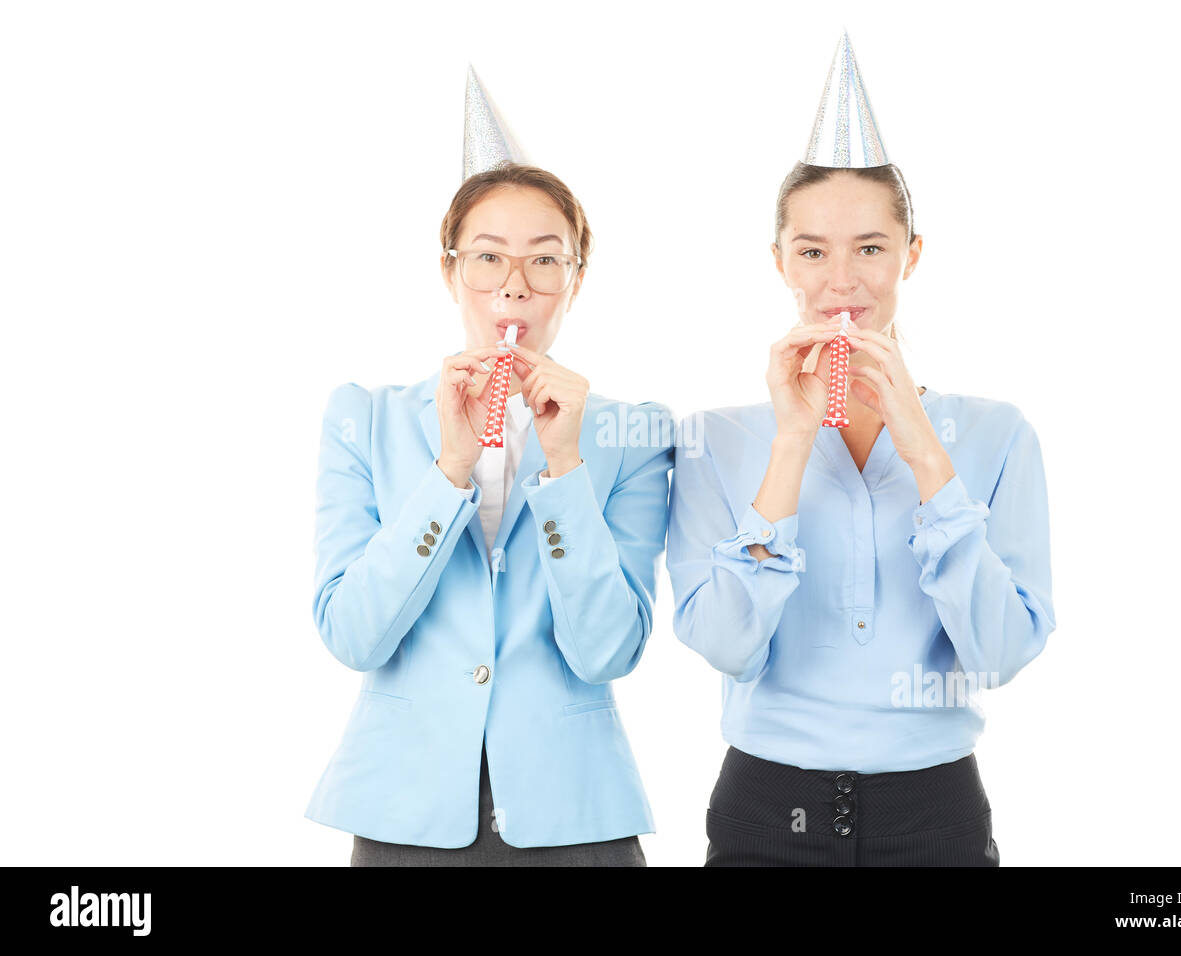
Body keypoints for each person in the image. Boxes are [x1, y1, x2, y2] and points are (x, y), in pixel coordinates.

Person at [665, 33, 1056, 866]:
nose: (840, 281)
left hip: (935, 810)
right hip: (765, 810)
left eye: (871, 248)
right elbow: (727, 646)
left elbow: (1002, 654)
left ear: (911, 256)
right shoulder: (712, 439)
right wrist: (792, 445)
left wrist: (922, 450)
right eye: (812, 251)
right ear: (780, 263)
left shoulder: (996, 435)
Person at [304, 68, 672, 866]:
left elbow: (608, 652)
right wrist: (451, 469)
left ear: (576, 279)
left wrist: (566, 466)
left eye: (546, 261)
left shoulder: (634, 435)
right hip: (406, 815)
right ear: (449, 271)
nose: (514, 286)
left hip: (575, 818)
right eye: (488, 258)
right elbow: (353, 635)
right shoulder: (362, 419)